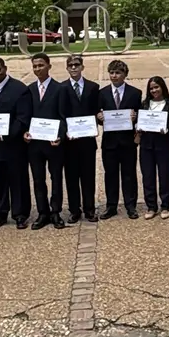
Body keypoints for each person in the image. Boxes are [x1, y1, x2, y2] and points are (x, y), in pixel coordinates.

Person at [0, 57, 30, 230]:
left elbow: (23, 118)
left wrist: (6, 135)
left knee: (18, 181)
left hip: (13, 145)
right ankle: (0, 213)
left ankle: (20, 214)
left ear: (5, 69)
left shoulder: (19, 89)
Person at [24, 53, 67, 230]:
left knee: (56, 178)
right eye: (35, 66)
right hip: (34, 144)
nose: (38, 69)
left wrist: (60, 135)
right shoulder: (29, 90)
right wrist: (25, 132)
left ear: (49, 66)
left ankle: (55, 211)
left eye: (41, 65)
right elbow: (26, 115)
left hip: (53, 143)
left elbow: (64, 116)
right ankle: (43, 212)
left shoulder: (60, 89)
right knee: (38, 179)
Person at [97, 60, 142, 219]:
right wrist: (99, 117)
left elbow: (141, 115)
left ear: (125, 74)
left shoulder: (135, 93)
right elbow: (97, 115)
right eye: (112, 73)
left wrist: (136, 117)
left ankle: (131, 205)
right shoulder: (102, 93)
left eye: (118, 73)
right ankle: (111, 206)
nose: (114, 76)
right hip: (109, 142)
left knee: (129, 174)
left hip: (127, 141)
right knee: (110, 174)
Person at [63, 55, 100, 223]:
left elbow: (96, 110)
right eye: (70, 65)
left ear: (82, 67)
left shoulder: (93, 87)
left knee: (88, 176)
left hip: (87, 140)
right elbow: (60, 113)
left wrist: (99, 118)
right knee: (71, 177)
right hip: (69, 141)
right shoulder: (62, 88)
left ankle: (89, 209)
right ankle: (74, 210)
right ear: (67, 68)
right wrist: (64, 131)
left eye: (76, 64)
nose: (73, 68)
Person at [137, 76, 169, 220]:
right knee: (148, 176)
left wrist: (168, 129)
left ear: (162, 87)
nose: (154, 90)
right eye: (151, 88)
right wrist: (138, 126)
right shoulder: (144, 104)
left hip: (164, 144)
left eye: (156, 87)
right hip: (146, 145)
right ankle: (151, 206)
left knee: (165, 176)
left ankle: (165, 205)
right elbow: (138, 120)